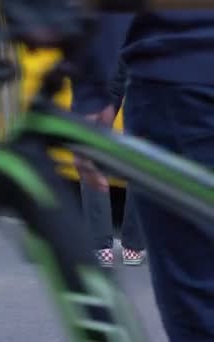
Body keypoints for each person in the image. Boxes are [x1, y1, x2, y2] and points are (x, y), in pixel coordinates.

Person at [73, 9, 214, 341]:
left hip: (182, 69)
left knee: (196, 303)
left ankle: (103, 246)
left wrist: (91, 93)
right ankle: (134, 246)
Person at [75, 57, 147, 267]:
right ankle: (133, 248)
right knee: (141, 153)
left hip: (112, 53)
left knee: (92, 148)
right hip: (147, 54)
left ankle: (100, 248)